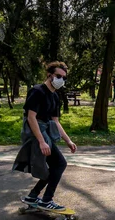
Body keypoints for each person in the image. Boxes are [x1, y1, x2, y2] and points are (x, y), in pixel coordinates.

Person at [13, 61, 77, 211]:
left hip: (45, 133)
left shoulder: (55, 97)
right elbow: (31, 118)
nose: (61, 79)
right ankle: (46, 199)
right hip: (35, 133)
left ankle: (33, 196)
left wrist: (68, 140)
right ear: (49, 75)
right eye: (58, 76)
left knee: (56, 167)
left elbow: (55, 121)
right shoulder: (37, 91)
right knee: (60, 164)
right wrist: (41, 141)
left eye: (64, 77)